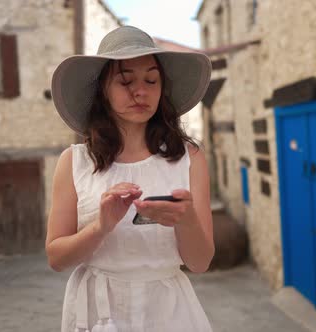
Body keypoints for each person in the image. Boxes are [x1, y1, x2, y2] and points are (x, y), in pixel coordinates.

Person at [46, 26, 214, 332]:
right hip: (98, 313)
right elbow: (56, 258)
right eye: (125, 81)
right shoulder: (74, 162)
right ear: (102, 90)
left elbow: (200, 263)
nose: (141, 91)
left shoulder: (190, 159)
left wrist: (186, 219)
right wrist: (102, 226)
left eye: (151, 80)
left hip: (170, 314)